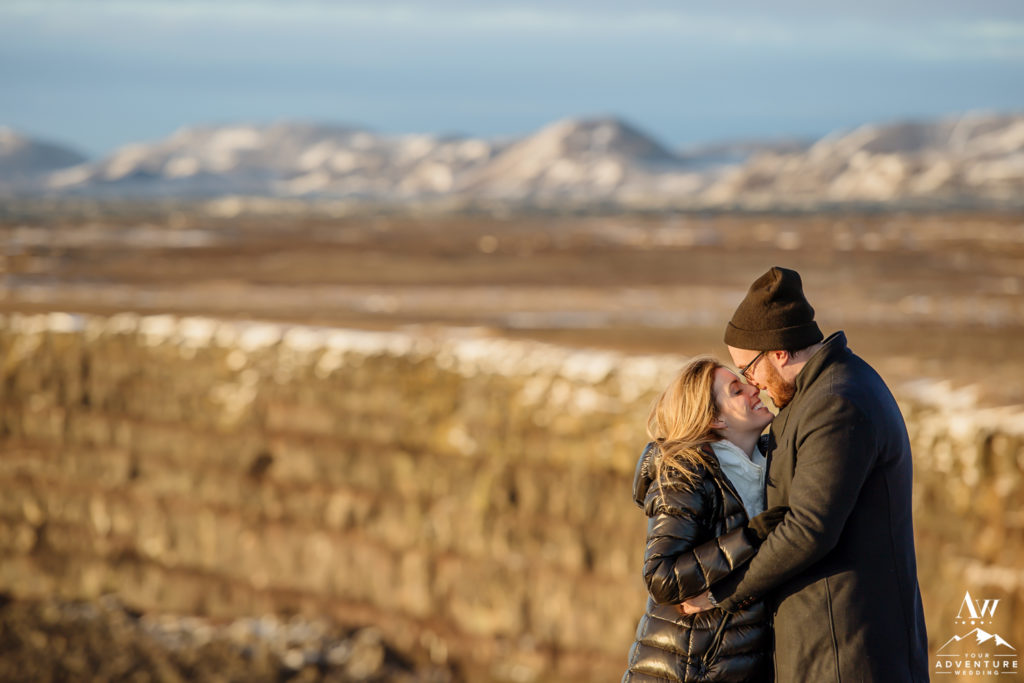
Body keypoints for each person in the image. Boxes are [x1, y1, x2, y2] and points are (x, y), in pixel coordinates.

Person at [681, 266, 929, 682]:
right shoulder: (821, 394)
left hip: (847, 654)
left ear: (778, 352)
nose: (753, 383)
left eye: (749, 369)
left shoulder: (837, 403)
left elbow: (809, 528)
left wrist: (724, 593)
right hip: (830, 647)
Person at [623, 356, 788, 683]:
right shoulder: (685, 474)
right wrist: (749, 538)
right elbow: (661, 578)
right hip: (684, 672)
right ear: (715, 419)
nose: (754, 388)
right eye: (736, 390)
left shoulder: (775, 462)